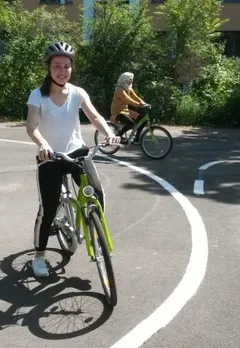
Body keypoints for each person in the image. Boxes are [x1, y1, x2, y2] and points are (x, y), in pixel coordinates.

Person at [25, 41, 121, 278]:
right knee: (48, 209)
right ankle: (39, 255)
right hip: (50, 156)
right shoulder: (38, 95)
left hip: (77, 152)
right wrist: (43, 144)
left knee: (97, 192)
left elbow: (95, 116)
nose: (62, 71)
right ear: (48, 67)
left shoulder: (78, 93)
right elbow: (32, 126)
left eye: (67, 66)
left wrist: (109, 134)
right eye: (57, 65)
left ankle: (95, 230)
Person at [110, 72, 150, 144]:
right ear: (124, 80)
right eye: (128, 80)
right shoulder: (119, 89)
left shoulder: (128, 88)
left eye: (131, 81)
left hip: (126, 110)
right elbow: (127, 99)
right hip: (118, 112)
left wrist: (144, 103)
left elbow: (135, 97)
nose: (130, 82)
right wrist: (138, 104)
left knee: (142, 119)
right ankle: (118, 135)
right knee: (131, 123)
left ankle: (137, 139)